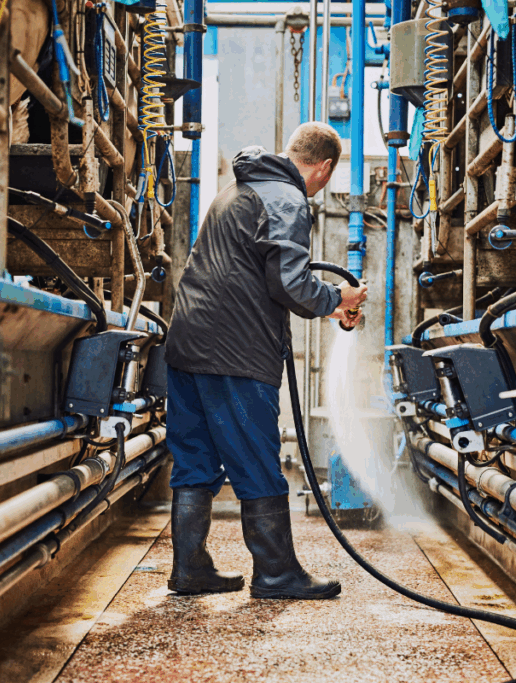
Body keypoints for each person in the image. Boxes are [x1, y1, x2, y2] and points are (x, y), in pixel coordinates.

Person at [164, 122, 368, 600]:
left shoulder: (236, 189)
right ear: (324, 166)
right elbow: (290, 284)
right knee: (257, 459)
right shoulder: (287, 199)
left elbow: (263, 275)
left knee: (194, 461)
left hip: (188, 343)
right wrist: (339, 294)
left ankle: (189, 568)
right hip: (234, 351)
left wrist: (328, 304)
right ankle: (277, 573)